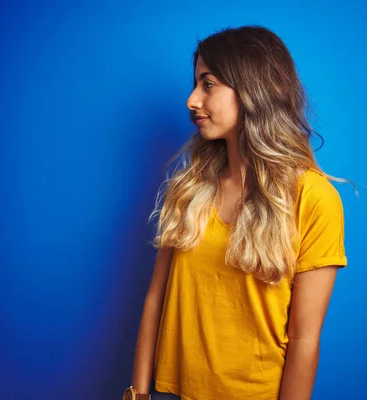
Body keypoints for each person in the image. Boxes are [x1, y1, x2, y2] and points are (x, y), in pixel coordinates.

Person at [125, 25, 355, 400]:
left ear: (253, 90)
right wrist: (138, 393)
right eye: (195, 83)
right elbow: (156, 296)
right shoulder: (189, 187)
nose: (192, 100)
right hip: (171, 393)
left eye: (208, 84)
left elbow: (304, 338)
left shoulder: (313, 197)